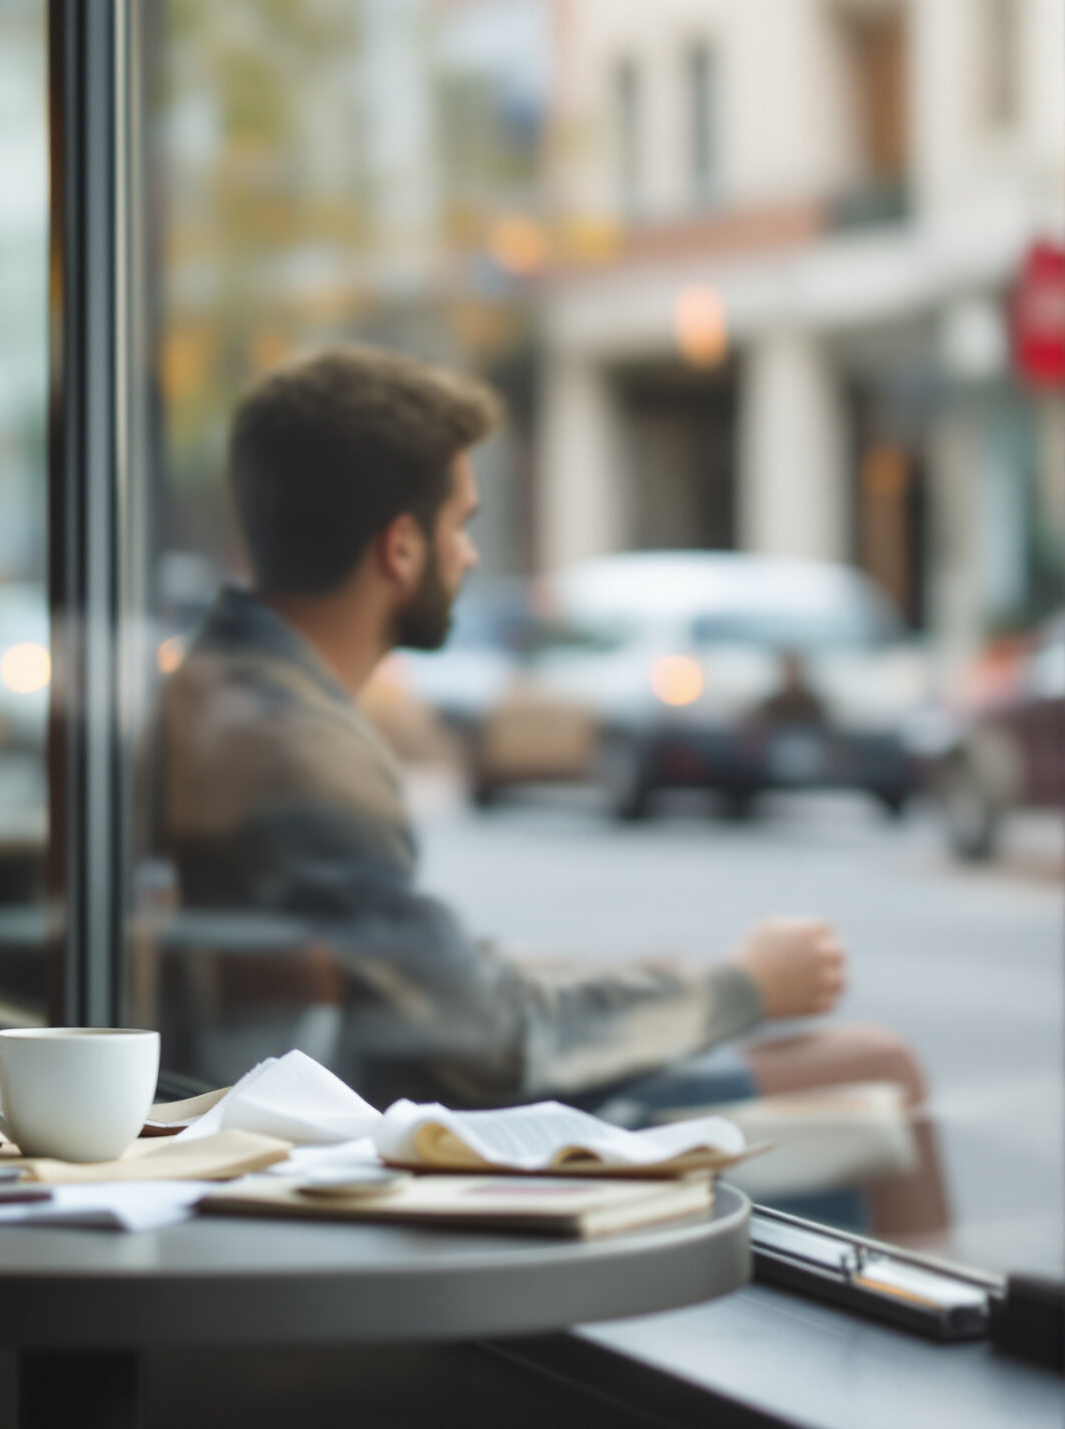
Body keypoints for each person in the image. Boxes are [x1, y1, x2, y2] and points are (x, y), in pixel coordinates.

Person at [154, 346, 850, 1112]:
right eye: (461, 523)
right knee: (875, 1068)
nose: (470, 552)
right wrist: (744, 985)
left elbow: (412, 968)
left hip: (302, 1108)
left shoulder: (210, 689)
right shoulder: (295, 749)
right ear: (402, 546)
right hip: (359, 1141)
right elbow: (489, 1042)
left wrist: (628, 982)